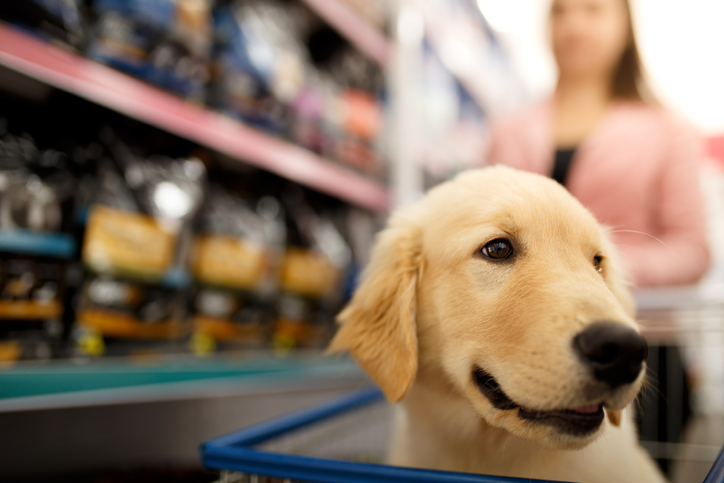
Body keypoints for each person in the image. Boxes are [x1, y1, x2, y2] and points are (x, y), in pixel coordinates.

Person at [486, 0, 710, 287]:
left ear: (626, 27)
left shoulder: (670, 131)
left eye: (593, 10)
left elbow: (691, 252)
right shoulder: (507, 131)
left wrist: (593, 263)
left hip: (630, 321)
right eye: (560, 12)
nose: (574, 26)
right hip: (524, 324)